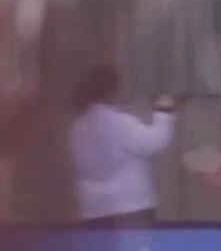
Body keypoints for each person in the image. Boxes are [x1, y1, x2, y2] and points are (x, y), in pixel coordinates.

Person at [67, 64, 175, 226]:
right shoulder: (120, 123)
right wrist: (164, 111)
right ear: (113, 90)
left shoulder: (78, 126)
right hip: (129, 208)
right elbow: (156, 140)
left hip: (92, 210)